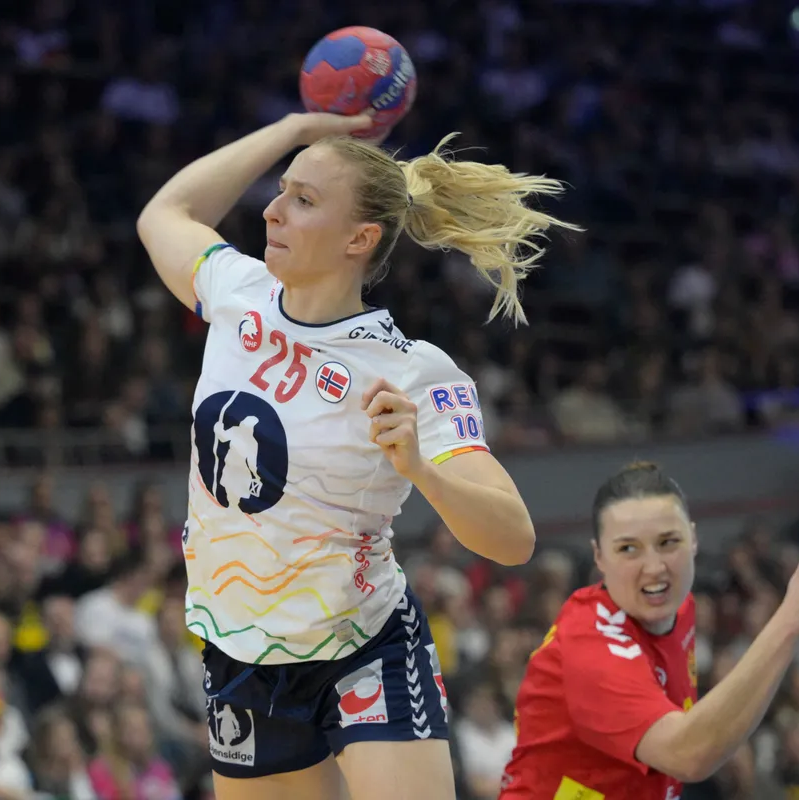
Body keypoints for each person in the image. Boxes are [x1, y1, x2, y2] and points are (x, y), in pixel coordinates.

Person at [135, 110, 578, 800]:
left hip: (363, 646)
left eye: (304, 201)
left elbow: (513, 538)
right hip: (242, 650)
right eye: (280, 191)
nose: (274, 211)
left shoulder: (412, 371)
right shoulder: (236, 291)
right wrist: (290, 128)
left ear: (360, 239)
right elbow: (166, 212)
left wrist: (422, 471)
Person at [499, 462, 799, 799]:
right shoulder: (591, 648)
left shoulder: (681, 607)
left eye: (668, 542)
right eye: (628, 549)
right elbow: (689, 754)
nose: (654, 568)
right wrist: (790, 621)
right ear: (599, 557)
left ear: (693, 538)